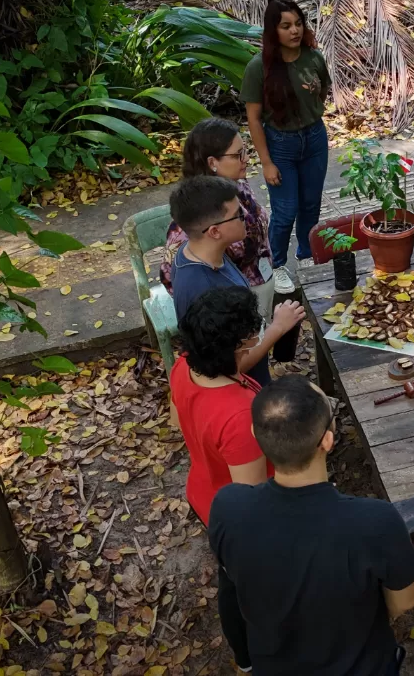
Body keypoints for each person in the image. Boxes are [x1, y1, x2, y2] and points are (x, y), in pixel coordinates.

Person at [208, 374, 414, 675]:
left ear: (254, 434)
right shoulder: (376, 522)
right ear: (328, 439)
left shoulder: (227, 508)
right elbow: (403, 601)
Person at [171, 286, 273, 674]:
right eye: (254, 334)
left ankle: (245, 655)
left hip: (202, 491)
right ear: (238, 346)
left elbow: (176, 419)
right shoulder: (240, 417)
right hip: (233, 521)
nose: (257, 338)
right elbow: (250, 502)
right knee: (240, 587)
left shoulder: (184, 367)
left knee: (231, 582)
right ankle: (251, 658)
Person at [168, 175, 305, 386]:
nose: (247, 217)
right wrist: (278, 327)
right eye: (238, 214)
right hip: (241, 390)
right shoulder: (203, 290)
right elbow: (228, 368)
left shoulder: (201, 253)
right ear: (214, 231)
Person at [242, 0, 331, 293]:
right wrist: (266, 162)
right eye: (285, 26)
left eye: (298, 24)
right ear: (273, 31)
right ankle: (276, 265)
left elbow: (323, 91)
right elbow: (254, 119)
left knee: (311, 204)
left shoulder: (313, 58)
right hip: (280, 144)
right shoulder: (259, 68)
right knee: (285, 210)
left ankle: (306, 254)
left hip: (315, 138)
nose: (294, 31)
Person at [161, 117, 275, 320]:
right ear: (213, 162)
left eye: (245, 150)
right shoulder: (195, 218)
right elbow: (173, 278)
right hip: (235, 310)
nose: (246, 159)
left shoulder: (236, 184)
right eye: (238, 154)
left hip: (258, 282)